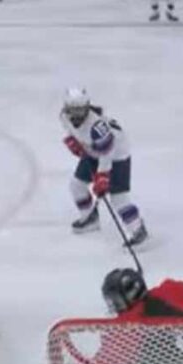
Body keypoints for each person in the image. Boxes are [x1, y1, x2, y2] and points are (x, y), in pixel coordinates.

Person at [60, 88, 149, 246]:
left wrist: (102, 176)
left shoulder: (97, 127)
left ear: (87, 107)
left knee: (118, 198)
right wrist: (72, 140)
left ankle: (138, 229)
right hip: (92, 150)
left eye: (80, 110)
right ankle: (90, 218)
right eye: (72, 110)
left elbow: (107, 153)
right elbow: (70, 130)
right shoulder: (63, 116)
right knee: (77, 186)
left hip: (116, 155)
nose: (76, 115)